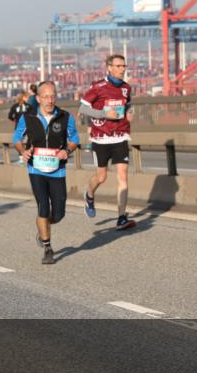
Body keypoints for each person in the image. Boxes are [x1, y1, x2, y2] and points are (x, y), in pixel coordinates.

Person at [13, 82, 79, 264]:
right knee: (43, 206)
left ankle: (43, 229)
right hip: (36, 168)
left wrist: (67, 150)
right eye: (45, 97)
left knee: (58, 214)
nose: (50, 100)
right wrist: (22, 151)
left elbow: (74, 138)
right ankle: (47, 247)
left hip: (57, 170)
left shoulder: (66, 117)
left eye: (52, 96)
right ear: (38, 98)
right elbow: (17, 138)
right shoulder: (28, 117)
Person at [80, 53, 134, 231]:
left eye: (124, 66)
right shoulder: (98, 87)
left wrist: (129, 112)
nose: (122, 69)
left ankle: (121, 217)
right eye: (118, 66)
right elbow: (83, 108)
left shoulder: (126, 88)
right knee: (101, 177)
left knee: (123, 176)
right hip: (101, 138)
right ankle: (89, 195)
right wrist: (103, 114)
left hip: (120, 136)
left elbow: (128, 105)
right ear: (109, 68)